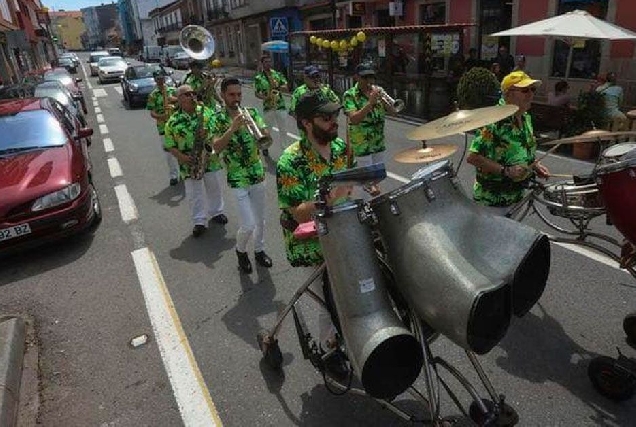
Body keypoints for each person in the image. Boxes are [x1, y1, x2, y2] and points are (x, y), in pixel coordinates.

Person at [276, 91, 352, 378]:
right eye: (326, 118)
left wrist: (363, 184)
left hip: (341, 231)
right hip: (309, 242)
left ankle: (352, 339)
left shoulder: (342, 147)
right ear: (307, 123)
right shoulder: (289, 162)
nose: (334, 122)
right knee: (330, 299)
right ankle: (328, 350)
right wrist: (333, 197)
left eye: (335, 116)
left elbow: (348, 183)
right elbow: (298, 213)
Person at [467, 71, 551, 215]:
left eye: (533, 89)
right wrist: (505, 171)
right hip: (492, 202)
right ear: (508, 94)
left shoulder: (525, 118)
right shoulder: (492, 121)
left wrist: (535, 165)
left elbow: (522, 149)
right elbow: (473, 157)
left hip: (516, 197)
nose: (531, 94)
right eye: (525, 90)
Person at [212, 77, 273, 274]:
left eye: (239, 94)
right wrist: (232, 128)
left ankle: (259, 250)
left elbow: (265, 137)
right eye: (231, 95)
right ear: (223, 95)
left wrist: (260, 132)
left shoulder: (252, 112)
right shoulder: (217, 118)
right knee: (248, 224)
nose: (236, 99)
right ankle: (241, 251)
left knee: (261, 219)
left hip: (257, 173)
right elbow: (216, 147)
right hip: (238, 177)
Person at [164, 84, 227, 237]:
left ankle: (216, 211)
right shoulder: (172, 122)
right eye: (187, 94)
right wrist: (183, 157)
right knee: (194, 194)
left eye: (193, 93)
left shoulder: (206, 112)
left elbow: (218, 130)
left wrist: (210, 137)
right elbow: (170, 145)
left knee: (215, 187)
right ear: (179, 99)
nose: (192, 96)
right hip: (189, 163)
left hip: (210, 160)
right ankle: (199, 221)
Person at [342, 63, 398, 196]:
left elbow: (394, 112)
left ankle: (374, 206)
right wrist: (370, 103)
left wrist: (385, 102)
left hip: (378, 141)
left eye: (371, 77)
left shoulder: (378, 91)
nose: (369, 81)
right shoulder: (349, 95)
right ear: (357, 77)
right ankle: (366, 207)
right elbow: (354, 119)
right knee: (367, 182)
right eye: (365, 77)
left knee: (376, 177)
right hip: (362, 143)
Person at [146, 70, 180, 186]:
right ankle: (173, 175)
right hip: (163, 127)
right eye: (158, 79)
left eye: (162, 78)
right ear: (155, 80)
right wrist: (162, 116)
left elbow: (181, 104)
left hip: (177, 125)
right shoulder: (153, 95)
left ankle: (185, 173)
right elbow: (152, 113)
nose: (161, 80)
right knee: (169, 153)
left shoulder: (173, 91)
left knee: (182, 149)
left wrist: (175, 101)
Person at [254, 54, 289, 155]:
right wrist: (266, 97)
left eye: (269, 61)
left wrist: (277, 86)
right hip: (268, 107)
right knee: (267, 129)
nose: (268, 63)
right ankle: (266, 147)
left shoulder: (277, 74)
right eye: (266, 62)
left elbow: (286, 87)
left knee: (283, 129)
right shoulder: (258, 78)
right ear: (262, 63)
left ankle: (285, 150)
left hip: (280, 105)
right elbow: (256, 93)